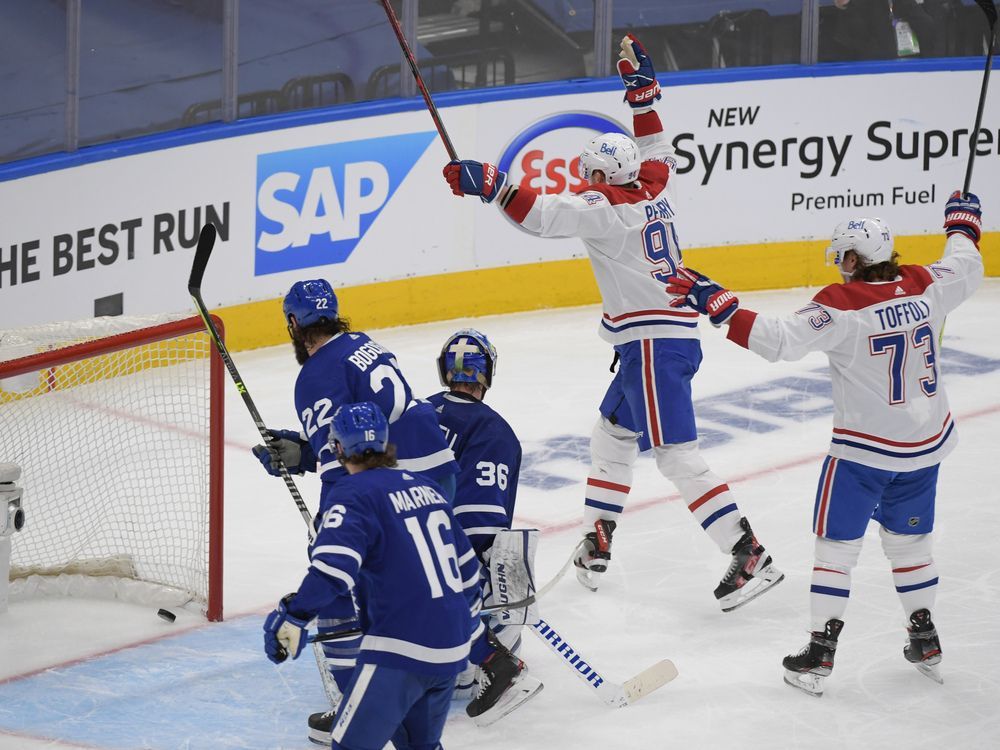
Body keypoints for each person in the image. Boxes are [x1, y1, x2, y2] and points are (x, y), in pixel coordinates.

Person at [442, 34, 783, 612]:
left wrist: (493, 184)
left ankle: (748, 552)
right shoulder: (654, 188)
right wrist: (641, 92)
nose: (587, 184)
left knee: (675, 454)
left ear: (602, 178)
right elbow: (653, 144)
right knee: (613, 433)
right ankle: (598, 540)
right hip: (658, 340)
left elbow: (547, 216)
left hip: (652, 343)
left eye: (590, 177)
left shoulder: (606, 210)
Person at [665, 191, 984, 695]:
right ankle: (925, 635)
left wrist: (714, 302)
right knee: (911, 544)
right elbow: (965, 265)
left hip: (863, 455)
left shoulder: (841, 306)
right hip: (925, 448)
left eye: (843, 258)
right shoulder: (926, 285)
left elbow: (777, 340)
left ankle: (820, 650)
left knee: (835, 549)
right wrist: (961, 224)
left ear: (855, 259)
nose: (839, 267)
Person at [251, 279, 460, 740]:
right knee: (428, 572)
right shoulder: (361, 344)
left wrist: (333, 524)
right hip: (435, 471)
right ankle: (464, 664)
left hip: (392, 478)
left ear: (292, 323)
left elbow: (345, 470)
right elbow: (363, 439)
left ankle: (358, 702)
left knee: (344, 584)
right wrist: (304, 451)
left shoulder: (313, 375)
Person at [262, 402, 482, 749]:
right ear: (384, 441)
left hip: (400, 648)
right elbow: (470, 579)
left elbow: (333, 570)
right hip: (452, 649)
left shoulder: (350, 494)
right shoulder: (428, 489)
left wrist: (294, 615)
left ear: (337, 448)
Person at [426, 328, 542, 719]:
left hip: (394, 554)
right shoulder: (493, 430)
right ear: (486, 373)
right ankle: (481, 666)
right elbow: (479, 522)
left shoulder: (414, 412)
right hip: (442, 567)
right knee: (505, 560)